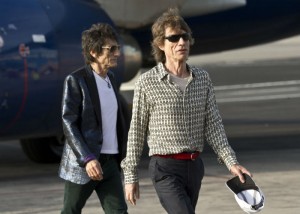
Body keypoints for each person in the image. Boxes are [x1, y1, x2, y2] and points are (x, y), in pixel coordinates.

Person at [121, 8, 252, 214]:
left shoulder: (202, 79)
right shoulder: (147, 83)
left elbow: (213, 126)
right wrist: (130, 176)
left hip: (194, 167)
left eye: (185, 37)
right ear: (160, 44)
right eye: (174, 38)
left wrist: (231, 163)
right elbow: (136, 132)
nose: (181, 42)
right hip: (164, 169)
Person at [58, 23, 128, 214]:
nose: (116, 53)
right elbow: (68, 122)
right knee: (70, 211)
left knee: (119, 212)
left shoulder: (110, 78)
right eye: (111, 49)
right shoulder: (76, 80)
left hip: (110, 162)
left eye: (117, 48)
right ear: (94, 52)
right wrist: (87, 158)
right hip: (85, 164)